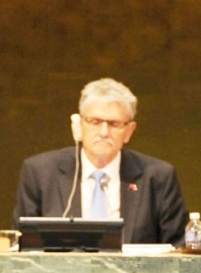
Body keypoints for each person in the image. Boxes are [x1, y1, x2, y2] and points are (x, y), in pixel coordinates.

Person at [12, 78, 189, 245]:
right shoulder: (40, 172)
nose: (104, 132)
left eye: (114, 124)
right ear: (79, 125)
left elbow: (179, 248)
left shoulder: (157, 177)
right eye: (95, 122)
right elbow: (22, 244)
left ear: (129, 131)